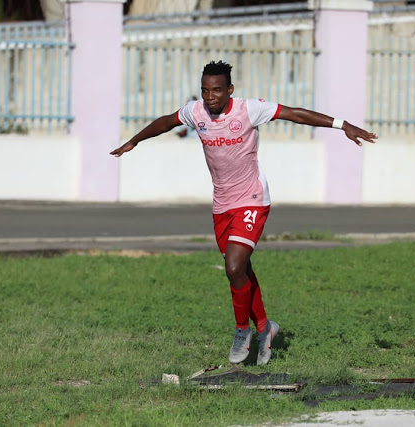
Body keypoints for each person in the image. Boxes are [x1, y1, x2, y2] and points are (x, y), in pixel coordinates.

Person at [111, 60, 377, 366]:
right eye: (205, 90)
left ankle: (242, 331)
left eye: (217, 90)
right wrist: (134, 141)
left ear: (230, 90)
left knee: (234, 266)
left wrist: (342, 125)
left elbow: (295, 114)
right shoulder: (196, 112)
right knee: (241, 271)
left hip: (252, 198)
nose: (210, 97)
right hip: (222, 204)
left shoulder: (249, 110)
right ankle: (265, 328)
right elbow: (166, 122)